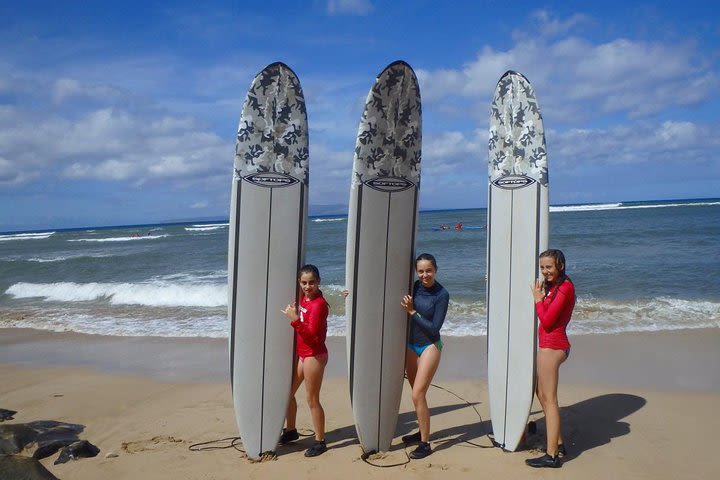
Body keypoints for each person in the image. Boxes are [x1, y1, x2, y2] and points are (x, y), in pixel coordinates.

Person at [526, 249, 576, 468]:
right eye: (542, 267)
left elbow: (546, 321)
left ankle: (552, 456)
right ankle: (559, 443)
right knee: (541, 392)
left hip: (553, 347)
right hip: (548, 346)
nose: (545, 271)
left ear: (561, 266)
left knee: (550, 399)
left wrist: (537, 299)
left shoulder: (565, 288)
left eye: (549, 267)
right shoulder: (553, 286)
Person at [400, 253, 450, 459]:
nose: (424, 275)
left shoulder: (442, 294)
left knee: (417, 394)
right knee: (416, 394)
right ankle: (422, 431)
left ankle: (425, 444)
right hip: (411, 346)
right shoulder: (414, 286)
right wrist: (349, 294)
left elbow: (435, 328)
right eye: (420, 271)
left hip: (430, 346)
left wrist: (412, 313)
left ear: (435, 269)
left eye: (428, 270)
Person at [280, 264, 329, 457]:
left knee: (312, 399)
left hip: (314, 355)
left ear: (318, 282)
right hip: (303, 355)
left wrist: (294, 320)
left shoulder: (319, 304)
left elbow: (313, 337)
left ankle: (320, 441)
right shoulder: (304, 299)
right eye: (304, 283)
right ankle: (291, 431)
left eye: (311, 283)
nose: (307, 286)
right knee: (287, 393)